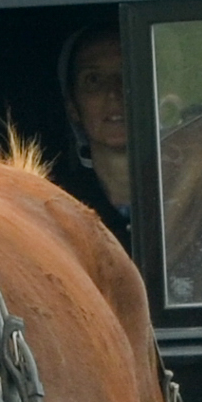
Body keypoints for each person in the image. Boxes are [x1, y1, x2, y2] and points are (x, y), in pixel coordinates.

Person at [54, 25, 131, 252]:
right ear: (73, 108)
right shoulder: (57, 203)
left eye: (128, 74)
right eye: (94, 79)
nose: (114, 93)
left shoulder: (193, 192)